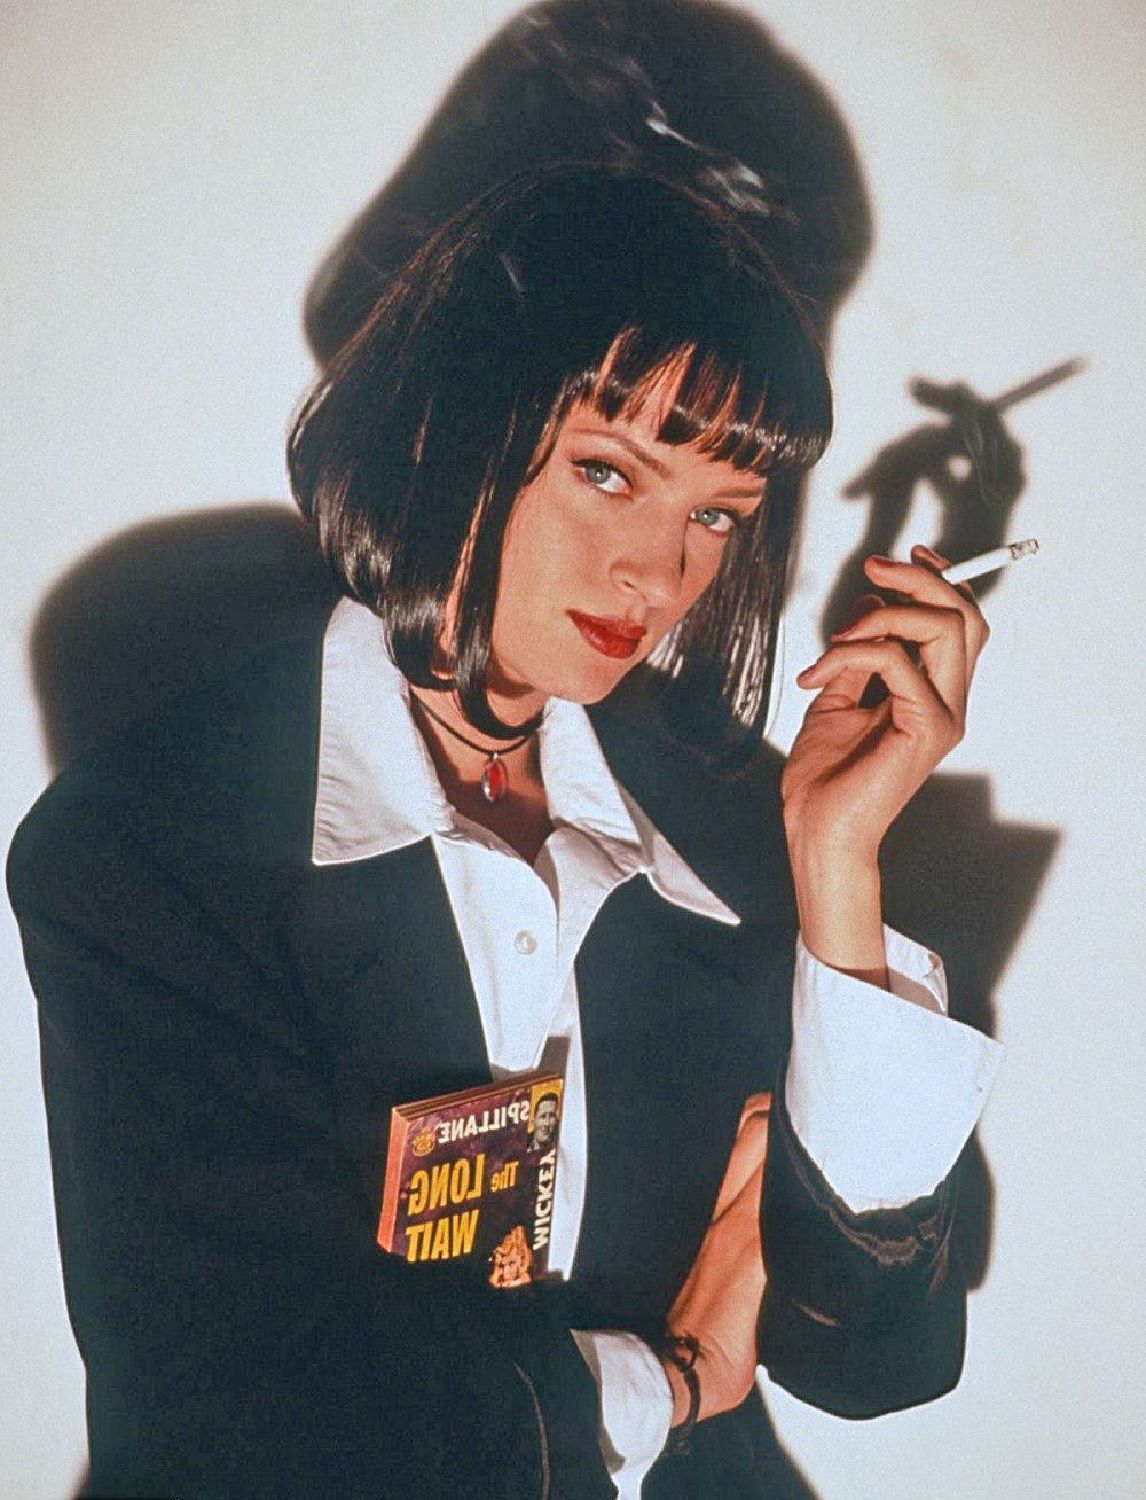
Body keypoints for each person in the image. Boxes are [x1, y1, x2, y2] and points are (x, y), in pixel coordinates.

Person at [9, 167, 1000, 1499]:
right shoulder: (157, 846)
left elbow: (871, 1359)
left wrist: (838, 866)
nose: (659, 573)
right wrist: (675, 1380)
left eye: (714, 514)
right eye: (607, 473)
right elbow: (245, 1419)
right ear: (448, 429)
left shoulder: (721, 831)